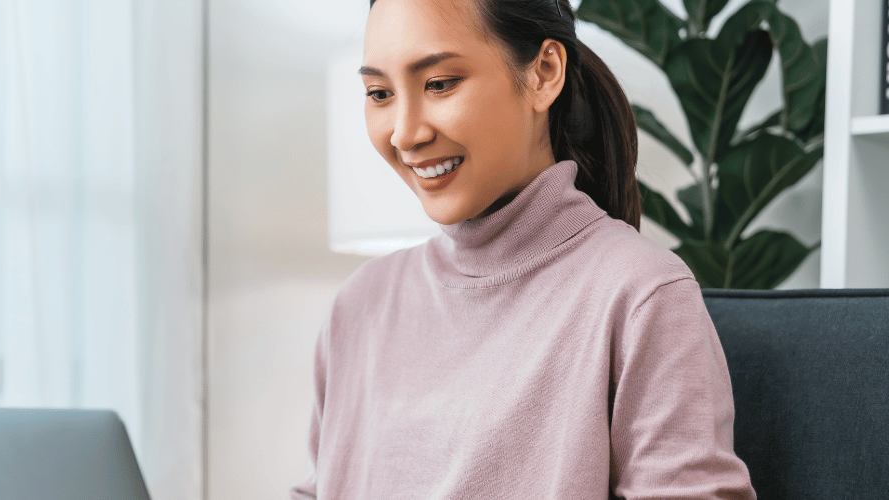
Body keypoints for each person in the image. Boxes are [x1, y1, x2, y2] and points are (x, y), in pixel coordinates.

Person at [292, 0, 756, 498]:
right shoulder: (359, 305)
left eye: (439, 84)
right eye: (379, 93)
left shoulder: (641, 295)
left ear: (544, 73)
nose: (406, 133)